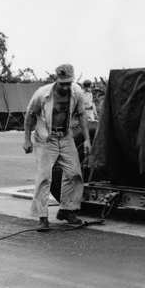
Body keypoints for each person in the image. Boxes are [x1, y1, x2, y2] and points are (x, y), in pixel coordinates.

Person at [23, 64, 90, 230]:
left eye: (69, 83)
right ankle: (42, 217)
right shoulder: (42, 94)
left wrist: (87, 139)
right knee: (44, 177)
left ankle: (67, 210)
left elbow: (82, 115)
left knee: (74, 173)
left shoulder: (77, 92)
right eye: (63, 83)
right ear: (56, 80)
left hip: (65, 136)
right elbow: (29, 116)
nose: (66, 87)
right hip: (45, 138)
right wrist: (26, 140)